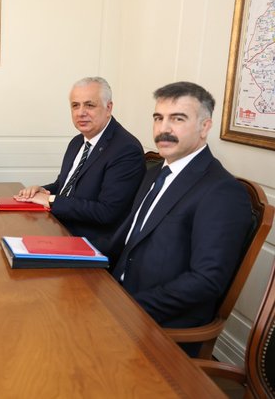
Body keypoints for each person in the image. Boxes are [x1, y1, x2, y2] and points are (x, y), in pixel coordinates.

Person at [108, 81, 252, 355]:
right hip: (115, 293)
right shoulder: (155, 173)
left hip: (157, 324)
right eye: (158, 118)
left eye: (177, 119)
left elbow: (206, 280)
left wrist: (128, 308)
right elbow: (128, 240)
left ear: (205, 127)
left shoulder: (222, 191)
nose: (163, 129)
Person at [14, 77, 145, 249]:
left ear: (108, 108)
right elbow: (64, 186)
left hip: (91, 243)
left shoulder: (126, 149)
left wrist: (50, 200)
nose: (80, 113)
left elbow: (107, 212)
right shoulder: (77, 142)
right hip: (60, 227)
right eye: (75, 105)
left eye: (89, 105)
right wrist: (41, 191)